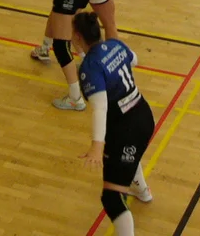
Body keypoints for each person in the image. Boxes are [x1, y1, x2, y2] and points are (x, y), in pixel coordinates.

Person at [75, 12, 154, 235]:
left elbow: (100, 108)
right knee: (128, 158)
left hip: (126, 129)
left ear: (79, 37)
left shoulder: (89, 68)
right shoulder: (114, 45)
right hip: (143, 114)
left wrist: (96, 146)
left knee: (111, 198)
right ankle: (142, 190)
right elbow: (134, 59)